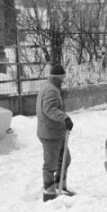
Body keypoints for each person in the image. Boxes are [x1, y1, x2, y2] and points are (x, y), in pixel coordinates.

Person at [37, 63, 75, 202]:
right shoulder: (51, 90)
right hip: (50, 133)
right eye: (62, 79)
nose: (63, 81)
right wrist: (64, 117)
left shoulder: (49, 86)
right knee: (51, 163)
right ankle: (49, 190)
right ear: (58, 78)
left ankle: (61, 186)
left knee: (65, 159)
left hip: (57, 132)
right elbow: (49, 109)